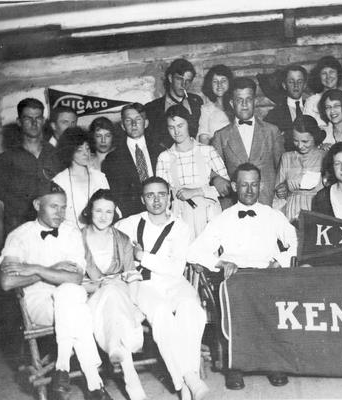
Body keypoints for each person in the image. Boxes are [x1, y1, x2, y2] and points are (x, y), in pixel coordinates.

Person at [188, 163, 297, 390]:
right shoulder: (223, 218)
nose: (249, 190)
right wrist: (221, 262)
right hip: (235, 277)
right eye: (244, 185)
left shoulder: (272, 215)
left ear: (261, 186)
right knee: (234, 299)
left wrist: (281, 261)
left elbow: (294, 242)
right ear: (235, 186)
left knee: (272, 299)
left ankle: (272, 362)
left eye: (254, 185)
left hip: (266, 275)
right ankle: (234, 366)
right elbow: (194, 251)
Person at [0, 180, 111, 400]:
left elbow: (76, 276)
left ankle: (63, 370)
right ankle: (94, 384)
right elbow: (7, 282)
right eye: (53, 207)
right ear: (37, 204)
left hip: (72, 298)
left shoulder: (70, 231)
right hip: (38, 303)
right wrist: (47, 271)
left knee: (69, 293)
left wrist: (35, 269)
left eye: (63, 207)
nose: (60, 213)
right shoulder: (19, 235)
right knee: (77, 307)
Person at [115, 176, 208, 400]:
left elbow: (176, 269)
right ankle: (187, 380)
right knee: (162, 313)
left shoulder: (180, 227)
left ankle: (188, 380)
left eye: (161, 194)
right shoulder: (127, 224)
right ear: (142, 199)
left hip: (174, 282)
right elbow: (111, 247)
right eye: (150, 195)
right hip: (144, 284)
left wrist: (141, 255)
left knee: (192, 309)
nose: (156, 200)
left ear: (169, 197)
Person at [81, 189, 146, 400]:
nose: (103, 216)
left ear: (114, 213)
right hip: (90, 296)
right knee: (111, 291)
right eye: (98, 210)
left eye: (108, 212)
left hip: (119, 293)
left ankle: (117, 349)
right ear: (90, 211)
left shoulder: (122, 239)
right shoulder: (77, 238)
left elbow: (132, 276)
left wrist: (134, 302)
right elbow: (72, 276)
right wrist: (98, 285)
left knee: (115, 291)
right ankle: (132, 378)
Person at [0, 98, 61, 250]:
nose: (34, 123)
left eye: (37, 118)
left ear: (43, 121)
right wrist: (1, 251)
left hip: (52, 237)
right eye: (28, 118)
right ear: (19, 121)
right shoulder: (6, 159)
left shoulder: (57, 155)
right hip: (19, 238)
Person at [156, 104, 230, 238]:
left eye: (180, 126)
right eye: (171, 128)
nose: (176, 132)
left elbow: (226, 188)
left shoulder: (207, 151)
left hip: (209, 215)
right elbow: (162, 196)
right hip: (181, 216)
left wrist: (196, 192)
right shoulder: (164, 157)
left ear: (188, 124)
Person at [212, 77, 285, 207]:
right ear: (231, 103)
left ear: (255, 101)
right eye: (239, 100)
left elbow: (283, 167)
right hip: (235, 205)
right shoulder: (220, 136)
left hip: (267, 203)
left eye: (248, 99)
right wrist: (215, 178)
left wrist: (283, 186)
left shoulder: (272, 131)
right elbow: (212, 170)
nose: (244, 104)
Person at [102, 103, 159, 218]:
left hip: (159, 211)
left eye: (138, 119)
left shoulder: (159, 151)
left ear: (146, 123)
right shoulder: (113, 158)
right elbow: (116, 194)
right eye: (128, 120)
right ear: (123, 125)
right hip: (132, 216)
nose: (134, 124)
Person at [53, 127, 109, 229]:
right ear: (69, 151)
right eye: (79, 150)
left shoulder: (100, 177)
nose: (85, 153)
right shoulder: (59, 181)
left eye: (87, 148)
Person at [274, 115, 326, 222]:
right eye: (296, 141)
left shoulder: (325, 157)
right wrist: (281, 190)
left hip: (317, 211)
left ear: (315, 137)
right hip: (291, 212)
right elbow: (278, 193)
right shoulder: (287, 157)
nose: (300, 146)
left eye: (305, 141)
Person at [145, 58, 203, 149]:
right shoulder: (152, 108)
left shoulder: (196, 102)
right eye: (180, 79)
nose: (184, 85)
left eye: (188, 81)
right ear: (170, 78)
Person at [264, 65, 309, 150]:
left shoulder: (312, 107)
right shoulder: (275, 114)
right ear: (284, 85)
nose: (296, 86)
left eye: (299, 82)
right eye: (291, 82)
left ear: (304, 85)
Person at [304, 56, 342, 127]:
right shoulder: (311, 102)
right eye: (324, 73)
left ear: (338, 73)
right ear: (319, 76)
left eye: (331, 72)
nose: (328, 77)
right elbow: (307, 129)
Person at [198, 64, 234, 144]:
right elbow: (203, 138)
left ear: (229, 82)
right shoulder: (206, 109)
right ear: (210, 85)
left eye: (223, 81)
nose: (219, 85)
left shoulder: (236, 105)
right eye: (215, 81)